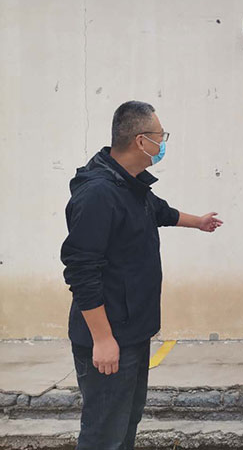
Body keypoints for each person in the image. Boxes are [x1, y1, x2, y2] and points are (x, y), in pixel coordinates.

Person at [61, 101, 223, 450]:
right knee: (103, 434)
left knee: (125, 424)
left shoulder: (129, 185)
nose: (163, 143)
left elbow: (159, 211)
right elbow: (81, 270)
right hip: (110, 337)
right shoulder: (99, 193)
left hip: (133, 332)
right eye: (160, 136)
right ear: (140, 141)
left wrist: (198, 222)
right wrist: (103, 339)